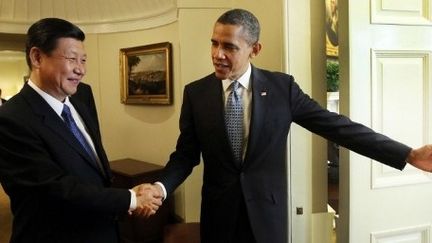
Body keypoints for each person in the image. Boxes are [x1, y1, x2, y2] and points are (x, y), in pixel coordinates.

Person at [149, 9, 432, 243]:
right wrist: (161, 188)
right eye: (214, 43)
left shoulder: (281, 88)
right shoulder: (195, 94)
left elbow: (338, 127)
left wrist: (408, 154)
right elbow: (185, 155)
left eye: (229, 47)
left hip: (267, 218)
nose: (217, 54)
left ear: (254, 49)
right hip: (218, 217)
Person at [0, 18, 162, 243]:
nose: (81, 69)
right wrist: (130, 199)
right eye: (72, 59)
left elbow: (91, 164)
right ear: (37, 57)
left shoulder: (82, 95)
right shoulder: (10, 118)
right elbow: (54, 190)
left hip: (102, 230)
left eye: (83, 60)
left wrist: (126, 196)